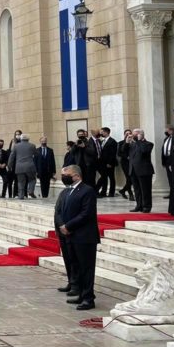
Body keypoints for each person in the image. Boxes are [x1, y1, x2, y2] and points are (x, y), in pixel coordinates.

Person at [53, 165, 99, 310]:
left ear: (77, 176)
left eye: (68, 175)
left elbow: (86, 213)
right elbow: (60, 210)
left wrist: (68, 226)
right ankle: (81, 294)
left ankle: (88, 298)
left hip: (84, 236)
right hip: (70, 236)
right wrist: (62, 225)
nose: (64, 177)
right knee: (76, 266)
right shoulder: (67, 191)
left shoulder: (87, 190)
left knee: (86, 268)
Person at [128, 129, 155, 213]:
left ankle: (146, 206)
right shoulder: (133, 144)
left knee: (145, 190)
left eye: (134, 135)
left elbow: (144, 151)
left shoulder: (148, 144)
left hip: (144, 171)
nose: (133, 136)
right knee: (137, 190)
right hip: (133, 170)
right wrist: (126, 142)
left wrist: (139, 141)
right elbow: (122, 152)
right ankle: (139, 205)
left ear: (140, 135)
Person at [7, 134, 36, 199]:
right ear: (28, 139)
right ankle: (31, 191)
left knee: (20, 181)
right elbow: (36, 154)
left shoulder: (16, 146)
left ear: (21, 139)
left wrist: (9, 166)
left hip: (19, 167)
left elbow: (11, 157)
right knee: (32, 179)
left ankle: (21, 195)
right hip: (30, 166)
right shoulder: (32, 145)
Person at [96, 127, 118, 198]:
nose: (100, 133)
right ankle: (103, 192)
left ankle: (111, 193)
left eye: (102, 132)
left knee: (111, 177)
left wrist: (109, 163)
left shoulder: (112, 141)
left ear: (106, 132)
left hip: (109, 163)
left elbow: (113, 153)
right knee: (104, 177)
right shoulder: (102, 141)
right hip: (102, 163)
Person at [117, 129, 134, 200]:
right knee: (129, 178)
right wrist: (126, 157)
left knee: (132, 179)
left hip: (133, 162)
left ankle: (123, 190)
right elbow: (119, 153)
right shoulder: (121, 143)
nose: (128, 135)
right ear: (124, 135)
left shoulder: (134, 142)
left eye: (129, 133)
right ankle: (130, 194)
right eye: (126, 134)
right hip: (125, 162)